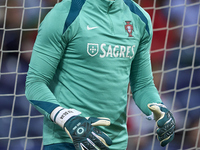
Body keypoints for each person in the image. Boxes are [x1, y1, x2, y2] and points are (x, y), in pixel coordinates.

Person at [25, 0, 176, 149]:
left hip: (115, 143)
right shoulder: (64, 14)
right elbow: (35, 83)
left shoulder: (140, 17)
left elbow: (143, 85)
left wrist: (158, 107)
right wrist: (67, 119)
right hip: (66, 141)